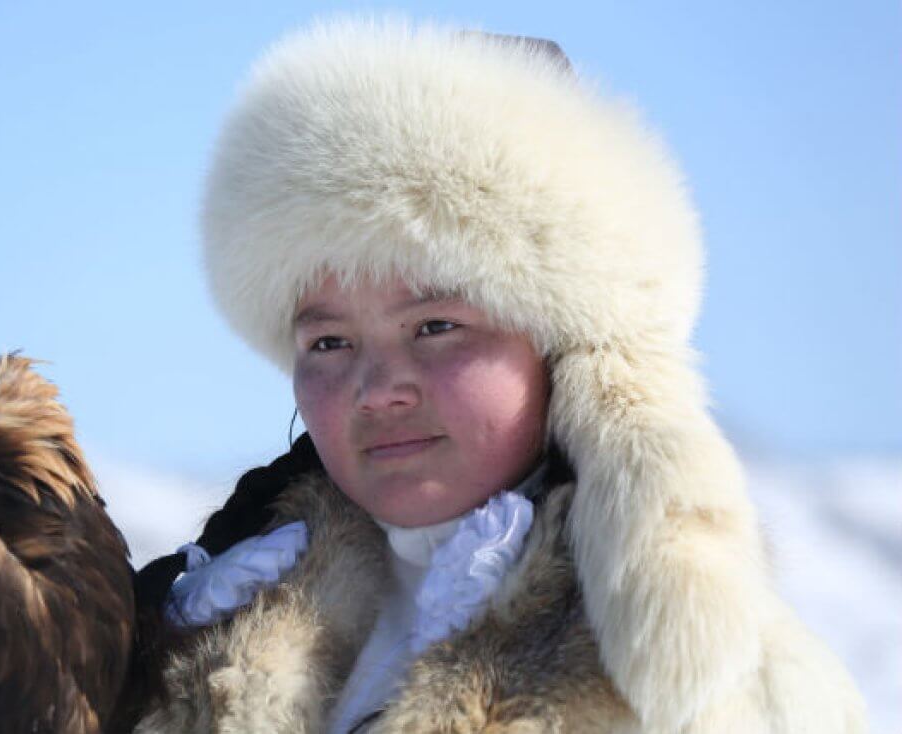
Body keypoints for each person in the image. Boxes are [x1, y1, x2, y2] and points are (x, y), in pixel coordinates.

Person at [129, 20, 866, 733]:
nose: (378, 387)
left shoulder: (734, 686)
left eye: (438, 327)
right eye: (328, 341)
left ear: (564, 345)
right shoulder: (203, 636)